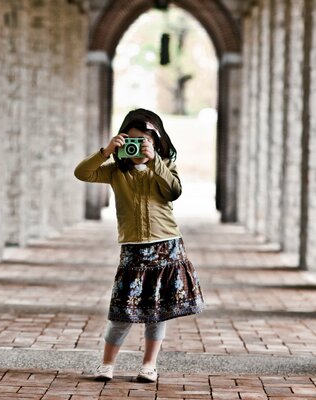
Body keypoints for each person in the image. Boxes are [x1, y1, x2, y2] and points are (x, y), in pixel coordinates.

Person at [74, 108, 204, 383]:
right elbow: (82, 173)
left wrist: (154, 161)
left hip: (166, 245)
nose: (137, 145)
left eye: (144, 140)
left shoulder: (165, 165)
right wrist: (106, 151)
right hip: (133, 248)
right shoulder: (114, 171)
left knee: (156, 313)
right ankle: (107, 364)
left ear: (155, 142)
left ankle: (149, 365)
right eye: (131, 139)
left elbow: (174, 192)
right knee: (121, 312)